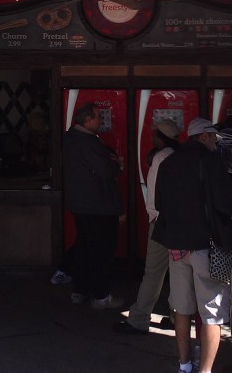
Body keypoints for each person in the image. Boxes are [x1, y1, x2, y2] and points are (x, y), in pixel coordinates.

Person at [152, 117, 232, 373]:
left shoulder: (168, 163)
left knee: (181, 308)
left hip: (176, 247)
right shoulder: (210, 161)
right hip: (207, 246)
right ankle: (205, 370)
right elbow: (227, 204)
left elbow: (159, 203)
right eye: (213, 138)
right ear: (203, 136)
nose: (216, 143)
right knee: (212, 312)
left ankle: (184, 365)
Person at [114, 118, 181, 335]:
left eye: (154, 134)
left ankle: (139, 319)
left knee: (153, 272)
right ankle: (177, 318)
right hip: (181, 223)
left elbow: (153, 196)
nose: (151, 137)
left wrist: (153, 218)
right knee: (179, 273)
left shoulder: (159, 158)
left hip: (161, 223)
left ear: (161, 137)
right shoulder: (182, 155)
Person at [62, 102, 124, 310]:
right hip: (98, 205)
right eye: (98, 117)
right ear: (88, 120)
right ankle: (101, 296)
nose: (101, 120)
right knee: (100, 252)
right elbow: (105, 171)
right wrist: (116, 163)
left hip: (80, 204)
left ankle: (80, 291)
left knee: (84, 248)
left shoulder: (69, 139)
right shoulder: (88, 141)